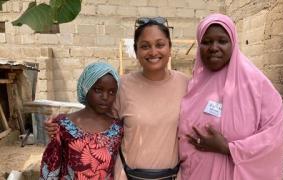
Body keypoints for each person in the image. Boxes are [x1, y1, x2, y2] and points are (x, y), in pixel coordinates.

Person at [44, 17, 189, 180]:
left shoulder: (186, 85)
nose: (153, 52)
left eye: (160, 44)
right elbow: (96, 115)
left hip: (173, 176)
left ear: (170, 47)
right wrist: (61, 124)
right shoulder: (122, 86)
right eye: (145, 46)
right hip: (127, 176)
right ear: (136, 51)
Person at [178, 13, 283, 179]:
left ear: (233, 43)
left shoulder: (257, 86)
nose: (213, 47)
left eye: (222, 41)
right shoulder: (191, 86)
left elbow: (273, 139)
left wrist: (228, 148)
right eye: (206, 42)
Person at [40, 61, 123, 179]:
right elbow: (52, 165)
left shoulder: (118, 129)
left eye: (111, 92)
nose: (105, 97)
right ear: (85, 88)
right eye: (98, 90)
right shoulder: (64, 125)